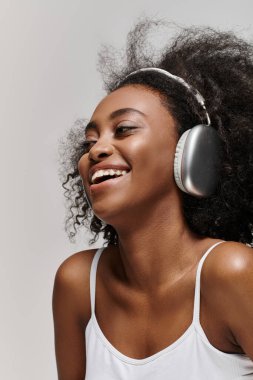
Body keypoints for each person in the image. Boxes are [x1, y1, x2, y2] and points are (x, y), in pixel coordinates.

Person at [53, 19, 253, 380]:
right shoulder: (78, 283)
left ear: (191, 153)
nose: (97, 149)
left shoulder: (231, 272)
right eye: (89, 141)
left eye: (124, 129)